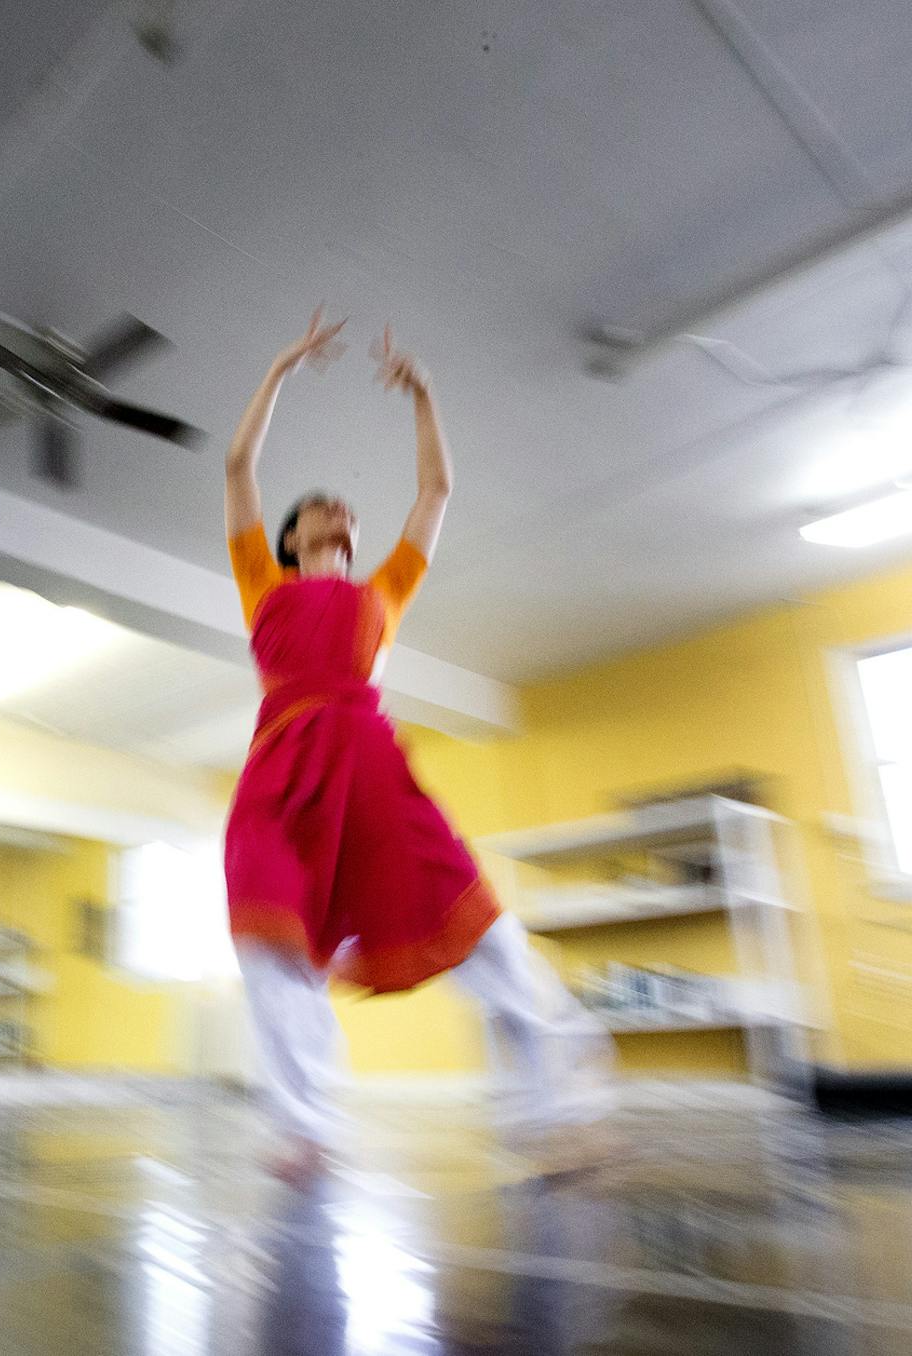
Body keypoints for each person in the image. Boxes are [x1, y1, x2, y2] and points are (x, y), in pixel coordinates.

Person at [223, 309, 613, 1180]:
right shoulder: (262, 583)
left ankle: (559, 1110)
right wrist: (281, 365)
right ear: (290, 537)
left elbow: (436, 494)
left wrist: (425, 397)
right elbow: (239, 465)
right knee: (270, 940)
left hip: (368, 773)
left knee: (474, 926)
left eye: (351, 516)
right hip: (282, 780)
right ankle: (305, 1129)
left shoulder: (383, 596)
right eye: (324, 509)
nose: (343, 516)